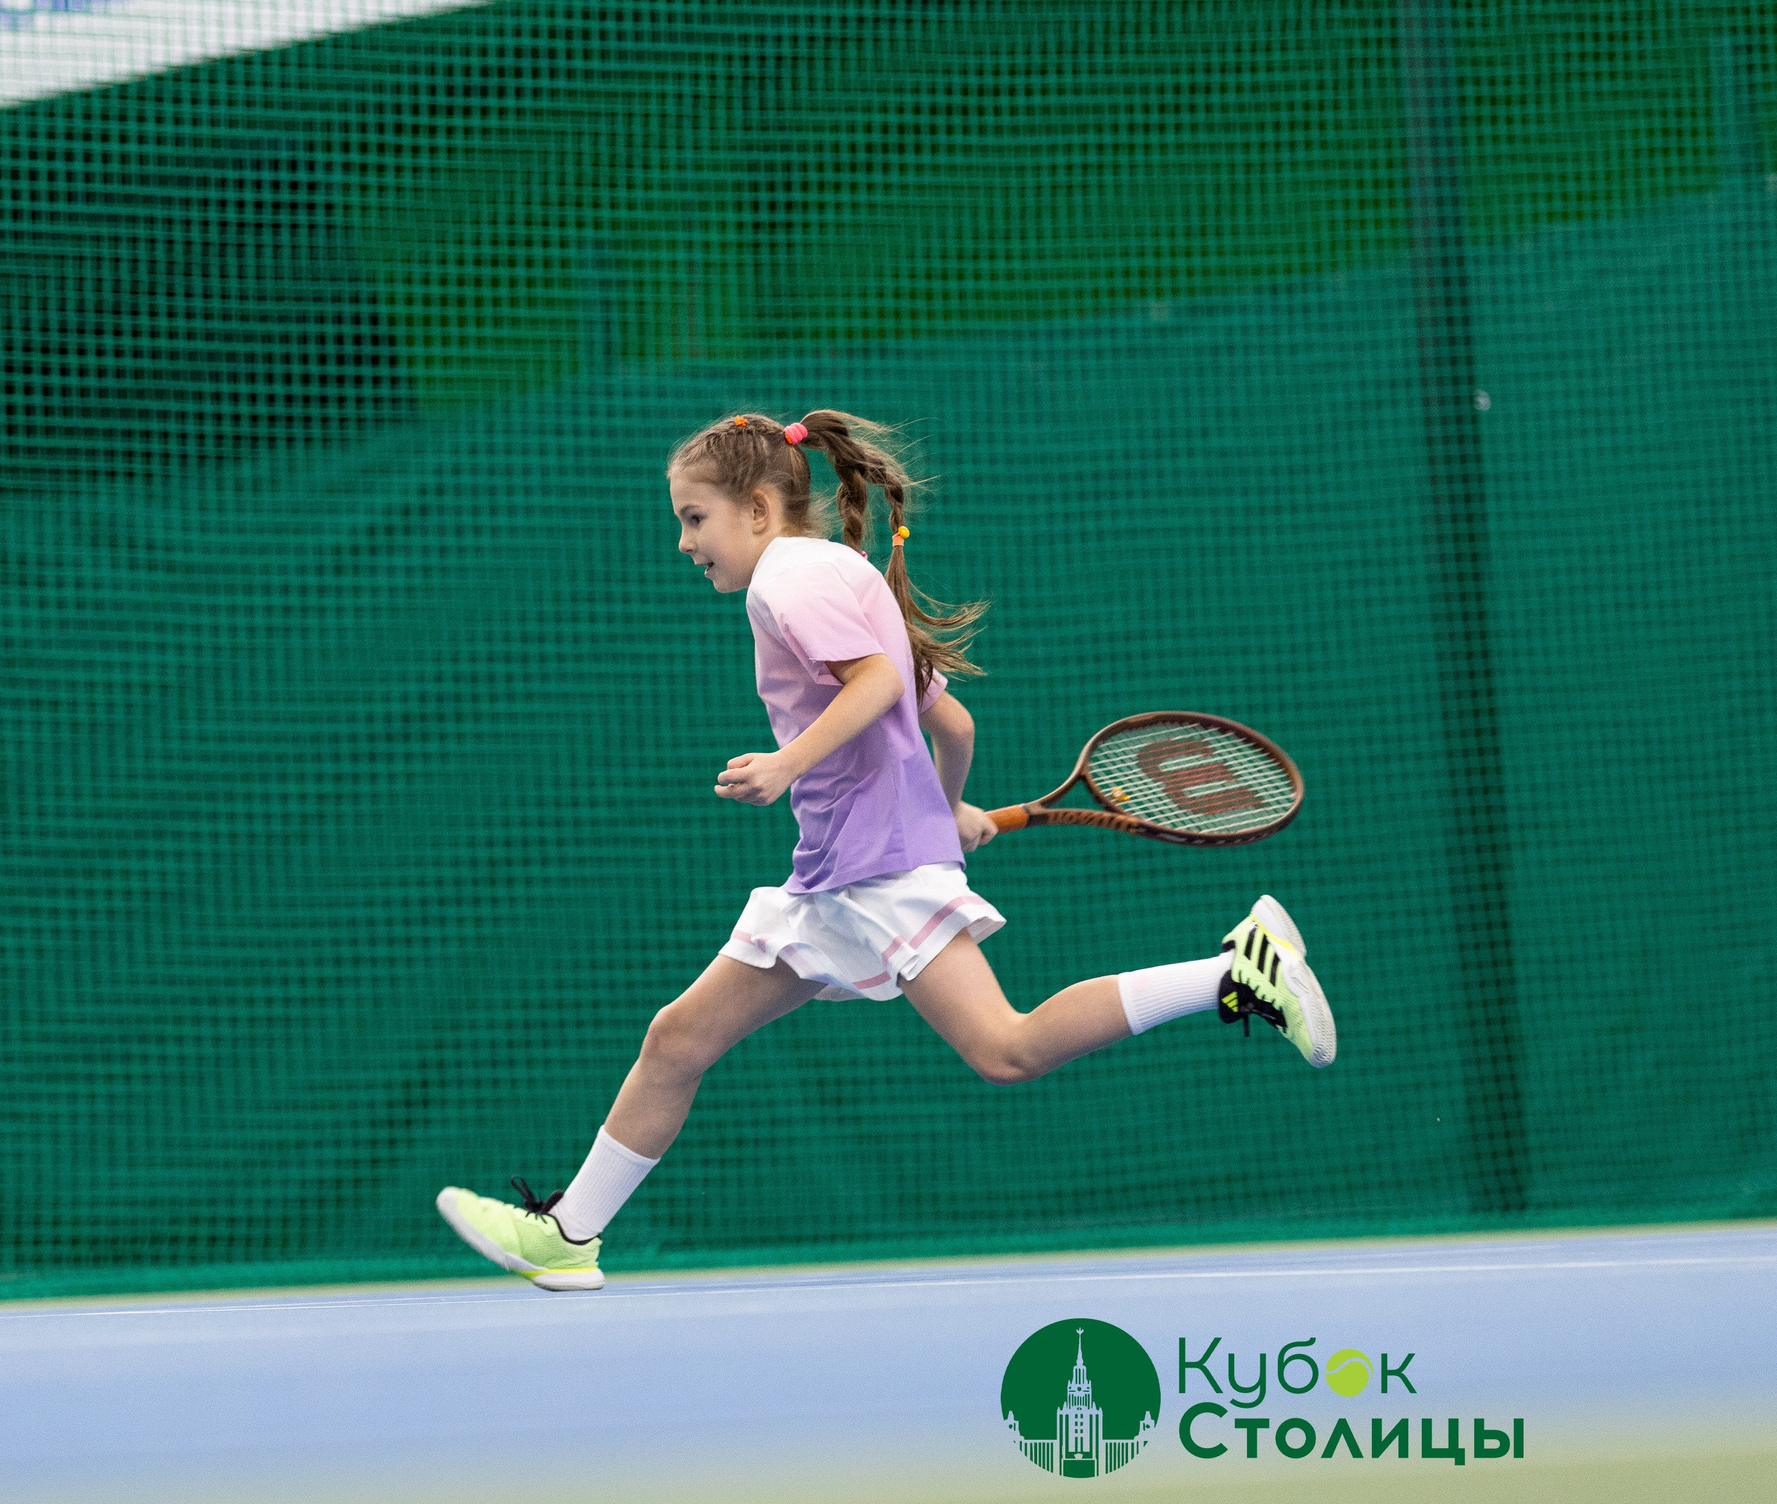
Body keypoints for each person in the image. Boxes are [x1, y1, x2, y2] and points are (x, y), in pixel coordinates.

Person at [435, 409, 1334, 1292]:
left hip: (875, 874)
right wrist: (945, 813)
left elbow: (873, 684)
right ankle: (570, 1235)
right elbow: (952, 722)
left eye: (693, 517)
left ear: (757, 508)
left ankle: (1237, 975)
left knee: (1006, 1049)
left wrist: (790, 764)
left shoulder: (787, 582)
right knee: (677, 1038)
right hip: (840, 875)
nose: (684, 542)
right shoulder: (846, 574)